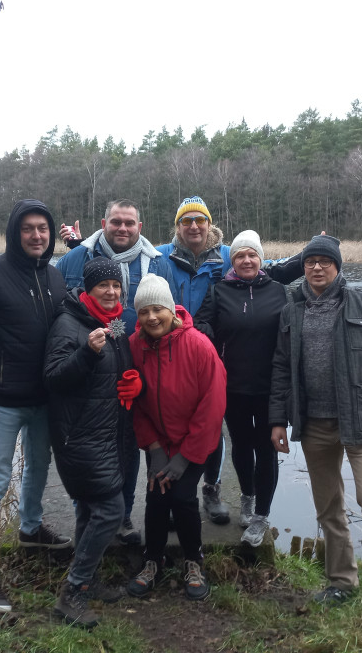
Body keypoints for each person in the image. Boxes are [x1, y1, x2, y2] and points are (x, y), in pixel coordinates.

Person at [268, 235, 362, 605]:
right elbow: (281, 367)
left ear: (337, 266)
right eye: (310, 261)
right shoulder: (291, 310)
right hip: (314, 423)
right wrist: (277, 420)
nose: (316, 267)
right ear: (303, 267)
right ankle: (341, 583)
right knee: (328, 506)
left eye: (324, 261)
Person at [157, 196, 304, 525]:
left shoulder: (256, 276)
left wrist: (314, 253)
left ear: (209, 224)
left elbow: (277, 272)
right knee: (185, 428)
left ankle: (220, 494)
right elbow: (201, 319)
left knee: (250, 444)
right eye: (187, 220)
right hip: (193, 361)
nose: (194, 226)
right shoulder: (163, 257)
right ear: (178, 225)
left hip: (265, 384)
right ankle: (172, 496)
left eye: (200, 220)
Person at [0, 199, 73, 614]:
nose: (37, 235)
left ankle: (30, 529)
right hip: (2, 402)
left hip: (45, 400)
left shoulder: (56, 279)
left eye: (43, 228)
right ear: (14, 232)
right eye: (28, 228)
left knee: (40, 470)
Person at [55, 199, 177, 546]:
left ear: (140, 226)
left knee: (127, 445)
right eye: (116, 222)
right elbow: (60, 310)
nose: (123, 228)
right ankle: (89, 516)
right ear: (104, 223)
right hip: (87, 372)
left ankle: (121, 517)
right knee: (90, 448)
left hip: (133, 369)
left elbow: (169, 315)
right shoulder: (75, 258)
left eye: (130, 223)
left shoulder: (157, 264)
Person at [44, 257, 141, 628]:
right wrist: (86, 352)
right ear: (88, 289)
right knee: (110, 510)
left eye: (116, 286)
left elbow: (120, 369)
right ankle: (72, 592)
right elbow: (53, 377)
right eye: (104, 286)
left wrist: (135, 383)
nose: (111, 292)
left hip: (108, 433)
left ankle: (89, 579)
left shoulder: (114, 323)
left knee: (88, 509)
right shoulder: (69, 324)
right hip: (79, 436)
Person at [125, 274, 226, 602]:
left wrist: (186, 456)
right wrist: (153, 448)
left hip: (191, 442)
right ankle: (152, 559)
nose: (151, 317)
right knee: (155, 492)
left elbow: (213, 405)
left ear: (172, 310)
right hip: (158, 441)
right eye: (143, 311)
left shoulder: (198, 345)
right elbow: (135, 401)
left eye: (158, 309)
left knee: (182, 497)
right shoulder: (134, 346)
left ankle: (194, 561)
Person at [194, 230, 287, 548]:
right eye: (239, 256)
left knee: (266, 450)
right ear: (231, 260)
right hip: (232, 386)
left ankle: (261, 516)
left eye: (252, 255)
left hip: (270, 387)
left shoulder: (278, 291)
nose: (246, 260)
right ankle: (247, 498)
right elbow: (202, 321)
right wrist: (203, 334)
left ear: (261, 259)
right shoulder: (220, 291)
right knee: (241, 446)